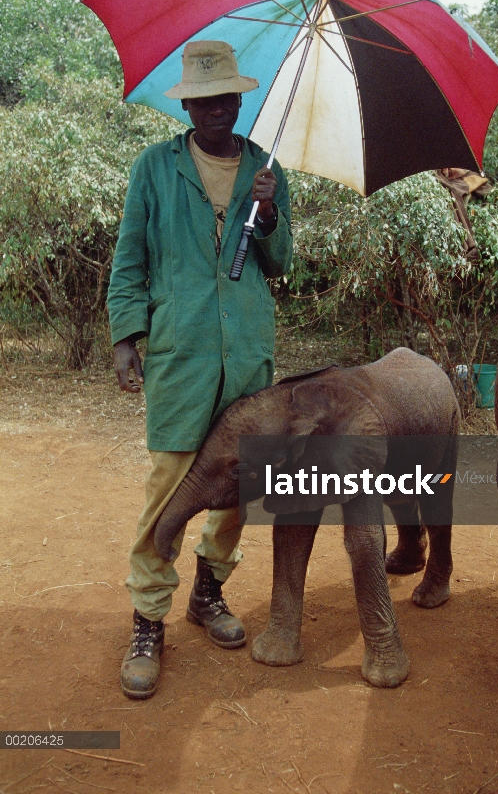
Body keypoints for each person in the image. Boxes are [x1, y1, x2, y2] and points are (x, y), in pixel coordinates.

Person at [108, 40, 293, 699]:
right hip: (181, 350)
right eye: (204, 99)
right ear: (186, 103)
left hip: (247, 351)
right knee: (170, 479)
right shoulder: (154, 168)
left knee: (240, 479)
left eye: (227, 98)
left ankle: (209, 592)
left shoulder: (268, 172)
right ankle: (148, 618)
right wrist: (127, 333)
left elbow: (283, 263)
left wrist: (268, 215)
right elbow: (130, 257)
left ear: (241, 101)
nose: (217, 109)